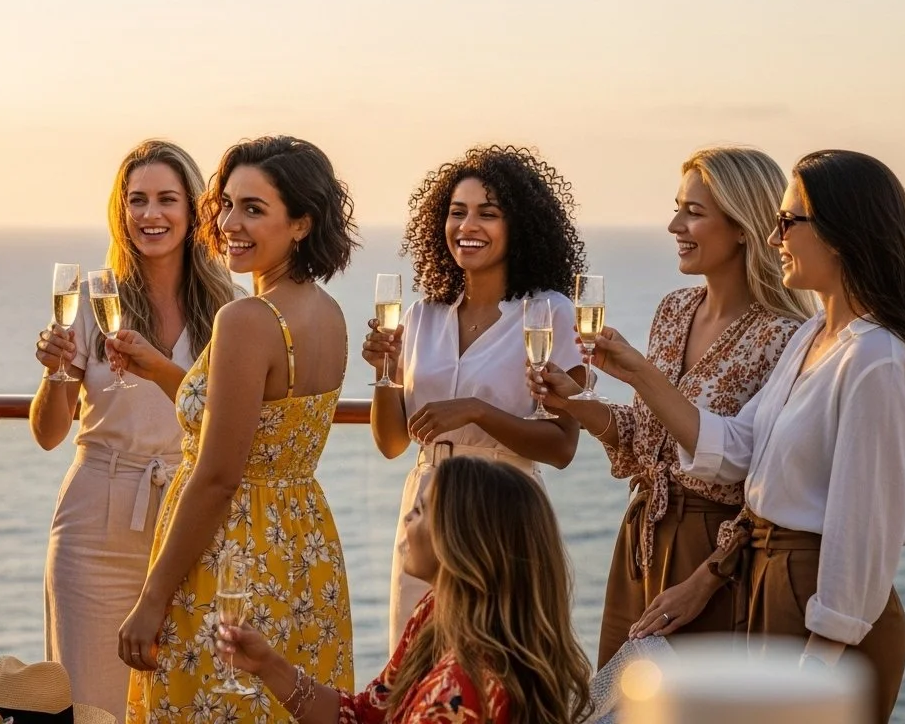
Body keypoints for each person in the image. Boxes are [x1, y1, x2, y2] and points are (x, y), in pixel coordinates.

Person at [582, 150, 905, 723]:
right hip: (770, 586)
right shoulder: (812, 339)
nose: (775, 235)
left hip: (826, 614)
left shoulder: (876, 360)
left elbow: (862, 533)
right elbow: (734, 453)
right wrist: (635, 371)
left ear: (838, 233)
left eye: (788, 222)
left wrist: (817, 664)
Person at [526, 147, 813, 666]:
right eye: (678, 207)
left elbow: (768, 482)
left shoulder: (782, 337)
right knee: (618, 701)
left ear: (744, 226)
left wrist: (709, 577)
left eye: (694, 212)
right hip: (641, 541)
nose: (673, 224)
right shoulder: (674, 310)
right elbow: (641, 436)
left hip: (716, 556)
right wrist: (573, 404)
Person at [111, 136, 359, 722]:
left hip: (231, 560)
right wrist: (166, 372)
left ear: (301, 223)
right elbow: (260, 428)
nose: (229, 223)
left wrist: (151, 600)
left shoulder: (247, 318)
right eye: (226, 204)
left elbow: (219, 475)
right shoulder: (327, 313)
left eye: (254, 209)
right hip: (304, 549)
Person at [30, 140, 235, 715]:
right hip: (94, 524)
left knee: (186, 702)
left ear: (194, 210)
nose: (151, 215)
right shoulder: (96, 302)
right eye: (137, 200)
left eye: (167, 199)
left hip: (189, 519)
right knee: (94, 705)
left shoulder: (229, 307)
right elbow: (49, 433)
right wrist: (54, 375)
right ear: (120, 213)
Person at [362, 145, 587, 650]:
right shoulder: (423, 314)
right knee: (416, 662)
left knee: (498, 662)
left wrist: (477, 411)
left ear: (521, 226)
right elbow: (393, 443)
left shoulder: (551, 312)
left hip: (502, 513)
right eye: (458, 212)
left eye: (489, 213)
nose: (468, 225)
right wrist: (383, 372)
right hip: (426, 511)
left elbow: (561, 446)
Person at [216, 456, 593, 724]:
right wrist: (268, 665)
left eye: (423, 510)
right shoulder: (437, 615)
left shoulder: (459, 695)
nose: (408, 518)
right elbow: (365, 714)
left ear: (463, 540)